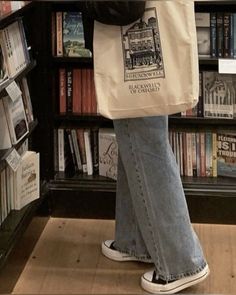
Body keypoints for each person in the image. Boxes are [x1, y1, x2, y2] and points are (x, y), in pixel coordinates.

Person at [81, 2, 210, 294]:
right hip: (145, 42)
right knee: (135, 144)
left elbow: (124, 6)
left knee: (147, 149)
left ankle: (183, 262)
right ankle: (134, 240)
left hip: (132, 40)